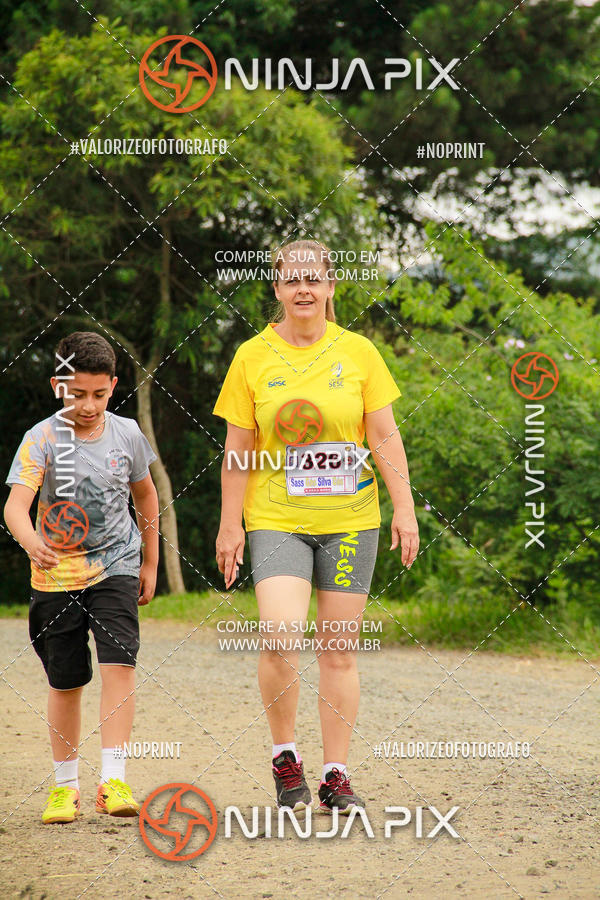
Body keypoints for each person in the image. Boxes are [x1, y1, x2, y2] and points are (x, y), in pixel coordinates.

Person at [213, 239, 419, 814]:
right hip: (276, 518)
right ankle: (285, 757)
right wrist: (231, 525)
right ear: (277, 288)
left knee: (339, 650)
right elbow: (237, 447)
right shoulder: (252, 357)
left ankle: (335, 775)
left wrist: (404, 508)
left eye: (315, 279)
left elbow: (383, 436)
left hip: (352, 522)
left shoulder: (359, 353)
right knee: (281, 635)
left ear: (331, 286)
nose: (303, 288)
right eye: (291, 279)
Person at [4, 332, 159, 824]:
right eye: (77, 394)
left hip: (116, 564)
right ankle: (65, 786)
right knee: (65, 681)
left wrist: (150, 562)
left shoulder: (128, 434)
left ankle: (113, 781)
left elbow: (148, 499)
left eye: (99, 393)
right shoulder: (41, 439)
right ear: (57, 387)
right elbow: (14, 507)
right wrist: (32, 542)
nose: (88, 404)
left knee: (120, 666)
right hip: (56, 576)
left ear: (113, 386)